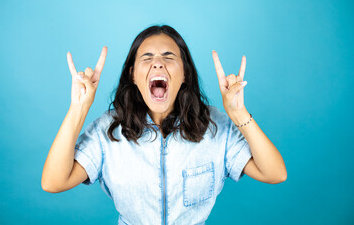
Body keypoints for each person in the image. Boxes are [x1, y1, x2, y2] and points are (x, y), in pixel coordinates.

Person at [42, 25, 287, 224]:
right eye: (147, 58)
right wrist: (79, 108)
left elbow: (275, 173)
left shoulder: (215, 125)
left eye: (168, 57)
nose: (158, 63)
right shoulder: (109, 129)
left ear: (184, 75)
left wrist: (239, 113)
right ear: (133, 75)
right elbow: (54, 182)